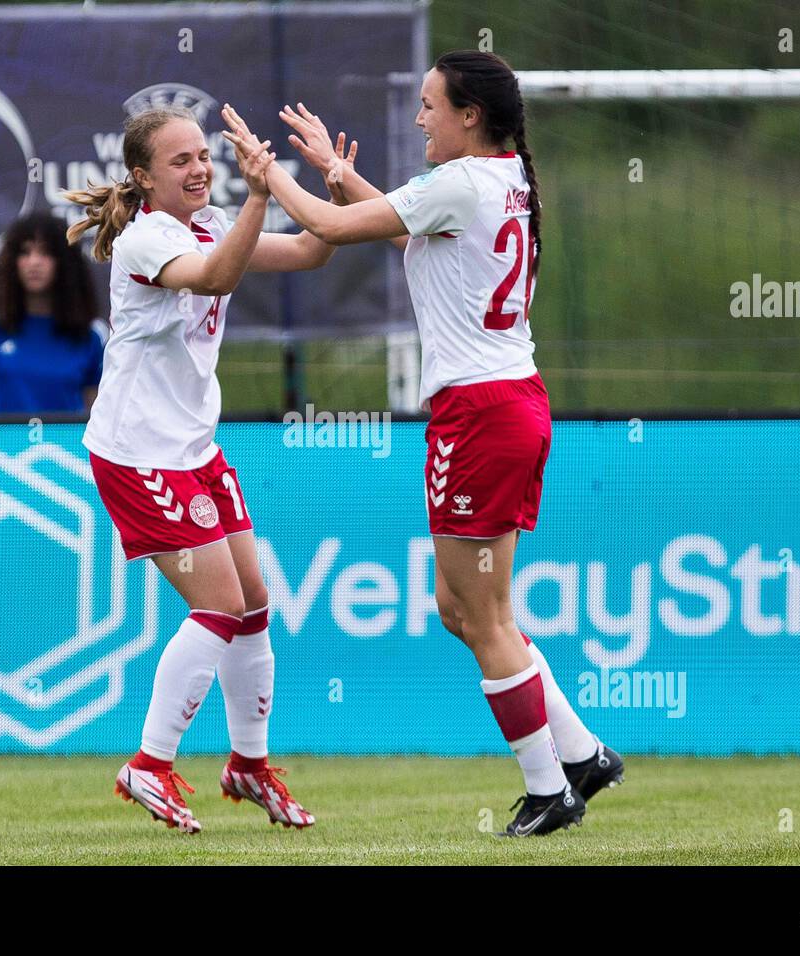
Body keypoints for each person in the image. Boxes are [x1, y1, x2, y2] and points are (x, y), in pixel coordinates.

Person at [225, 51, 624, 837]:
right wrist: (336, 170)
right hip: (509, 404)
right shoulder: (501, 179)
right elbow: (412, 236)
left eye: (430, 106)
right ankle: (580, 755)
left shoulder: (460, 183)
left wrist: (265, 175)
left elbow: (337, 228)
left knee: (481, 614)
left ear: (470, 114)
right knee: (465, 606)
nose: (418, 120)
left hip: (481, 414)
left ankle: (551, 791)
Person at [64, 104, 351, 834]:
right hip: (138, 453)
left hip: (194, 449)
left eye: (203, 155)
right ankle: (149, 765)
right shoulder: (145, 239)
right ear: (143, 178)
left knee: (254, 604)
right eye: (180, 160)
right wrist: (259, 196)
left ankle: (248, 767)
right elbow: (217, 279)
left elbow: (315, 251)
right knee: (220, 607)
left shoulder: (213, 220)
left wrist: (334, 177)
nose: (199, 169)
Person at [0, 211, 106, 415]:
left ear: (65, 263)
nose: (34, 262)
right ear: (12, 262)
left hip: (68, 447)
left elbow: (99, 421)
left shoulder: (93, 336)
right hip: (3, 446)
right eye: (25, 253)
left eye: (45, 253)